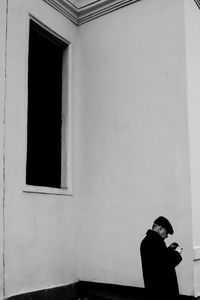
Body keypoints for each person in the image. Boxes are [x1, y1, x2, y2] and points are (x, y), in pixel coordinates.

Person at [140, 216, 182, 300]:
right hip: (162, 291)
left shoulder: (147, 241)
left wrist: (169, 249)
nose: (166, 236)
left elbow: (158, 258)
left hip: (153, 288)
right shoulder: (156, 242)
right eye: (166, 233)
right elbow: (167, 263)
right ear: (160, 229)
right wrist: (177, 253)